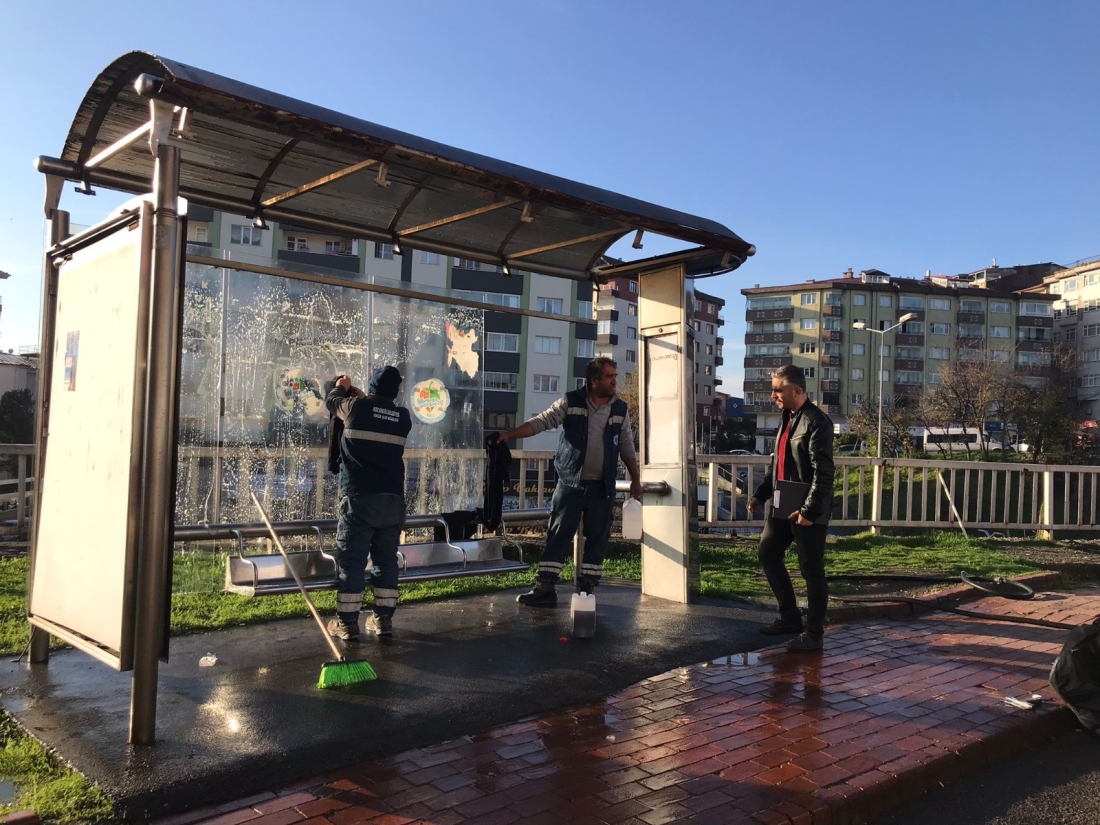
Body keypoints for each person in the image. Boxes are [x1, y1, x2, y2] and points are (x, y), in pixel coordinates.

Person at [490, 357, 642, 607]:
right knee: (558, 534)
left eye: (615, 376)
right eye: (609, 376)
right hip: (571, 483)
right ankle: (545, 587)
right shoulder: (570, 401)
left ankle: (587, 589)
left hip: (602, 486)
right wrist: (509, 435)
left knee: (598, 538)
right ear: (594, 380)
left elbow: (626, 444)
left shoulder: (620, 409)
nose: (615, 381)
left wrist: (636, 479)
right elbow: (541, 422)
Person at [747, 364, 835, 652]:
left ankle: (814, 634)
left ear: (796, 390)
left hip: (808, 509)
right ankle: (790, 618)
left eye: (778, 390)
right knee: (768, 553)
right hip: (783, 503)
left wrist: (810, 511)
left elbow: (824, 471)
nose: (773, 395)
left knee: (811, 569)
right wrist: (761, 495)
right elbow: (778, 463)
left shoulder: (817, 421)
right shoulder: (787, 418)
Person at [324, 365, 412, 639]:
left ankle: (347, 624)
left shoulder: (354, 409)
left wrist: (342, 385)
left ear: (371, 385)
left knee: (352, 562)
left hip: (360, 499)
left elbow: (332, 402)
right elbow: (379, 414)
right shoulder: (403, 417)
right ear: (395, 390)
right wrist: (364, 398)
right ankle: (382, 621)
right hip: (392, 501)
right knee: (386, 561)